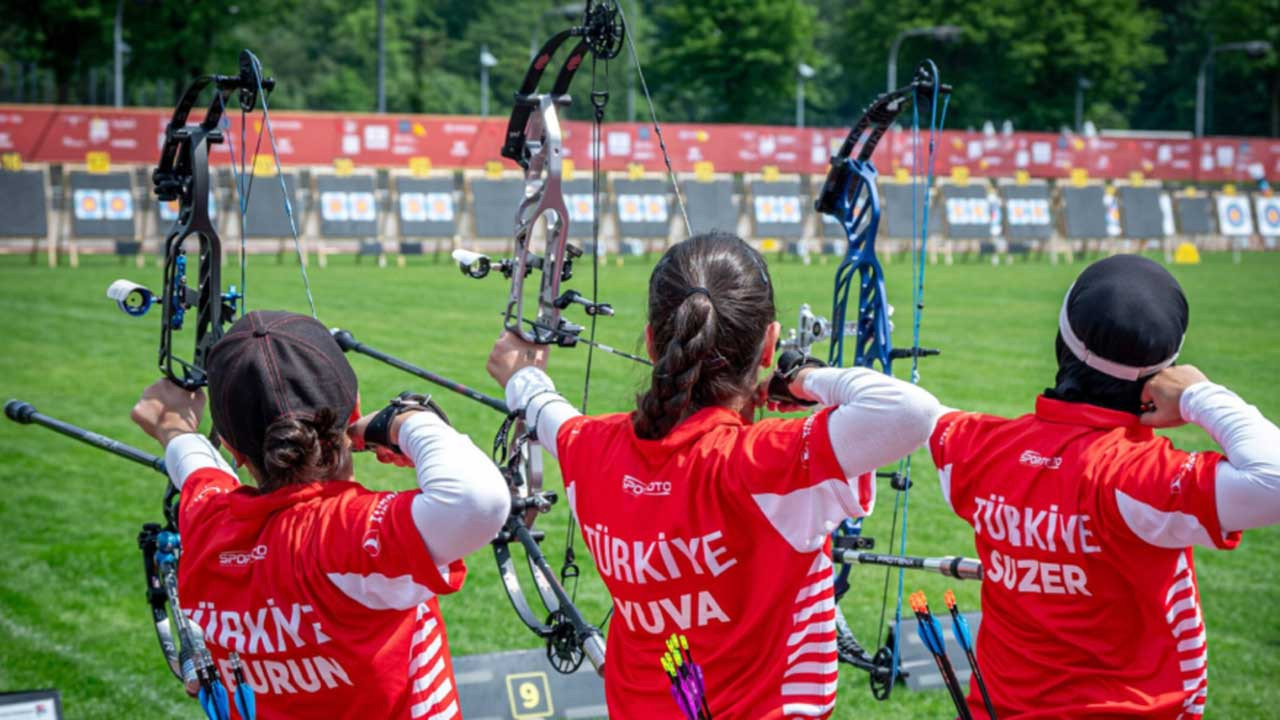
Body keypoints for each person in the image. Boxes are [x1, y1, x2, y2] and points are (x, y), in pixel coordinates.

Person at [485, 232, 941, 719]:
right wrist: (802, 378)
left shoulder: (590, 448)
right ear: (768, 345)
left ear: (652, 341)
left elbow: (542, 407)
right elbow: (911, 412)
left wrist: (522, 376)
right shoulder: (766, 464)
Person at [926, 254, 1280, 719]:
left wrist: (806, 376)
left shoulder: (975, 446)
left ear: (1062, 341)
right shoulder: (1137, 477)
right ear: (1162, 371)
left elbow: (915, 415)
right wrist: (1199, 394)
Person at [130, 310, 509, 720]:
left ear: (235, 452)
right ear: (353, 411)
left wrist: (175, 430)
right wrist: (405, 420)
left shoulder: (208, 522)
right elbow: (478, 500)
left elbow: (199, 470)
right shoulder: (347, 538)